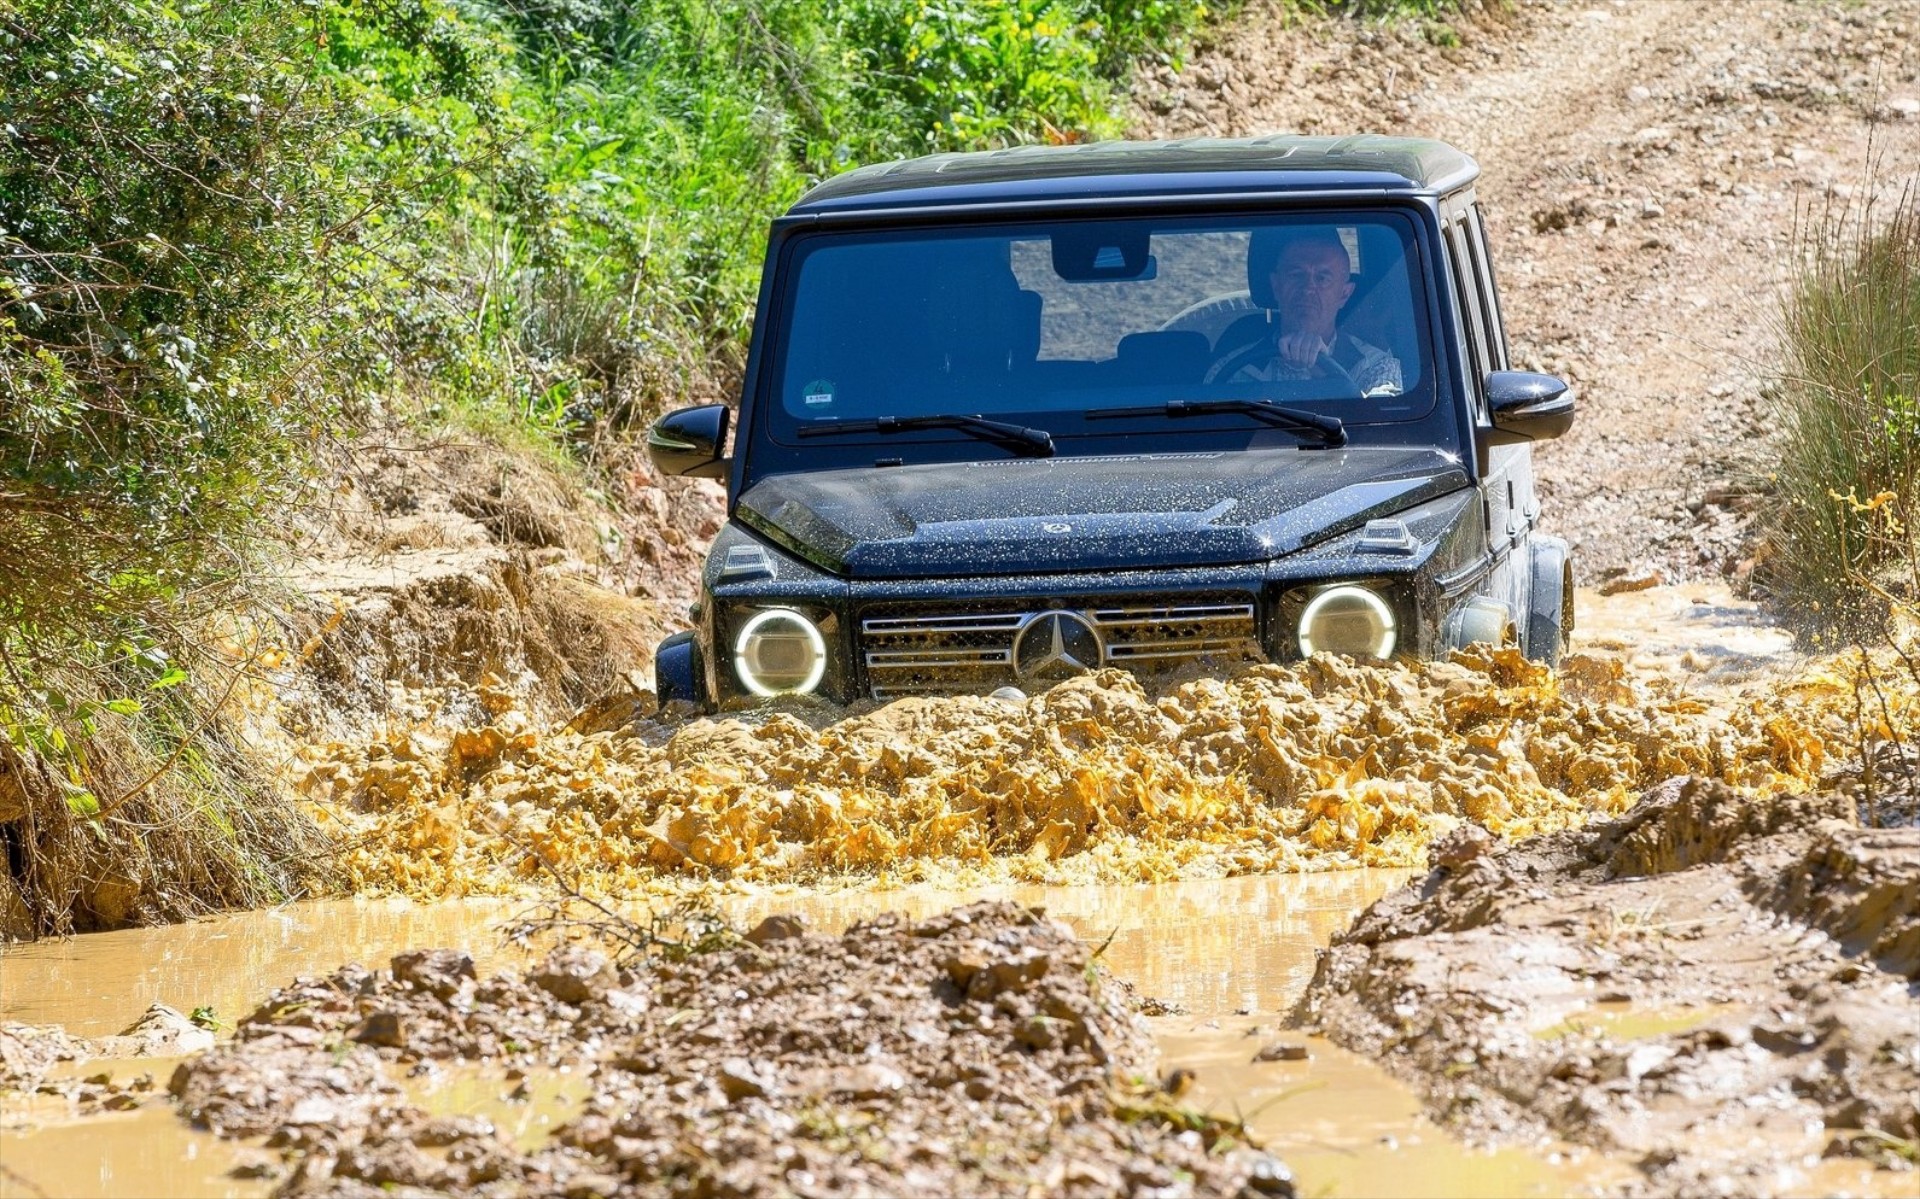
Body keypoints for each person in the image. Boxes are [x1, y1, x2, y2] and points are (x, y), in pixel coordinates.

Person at [1205, 228, 1403, 396]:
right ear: (1276, 286)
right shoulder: (1233, 372)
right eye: (1296, 275)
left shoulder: (1376, 367)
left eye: (1322, 278)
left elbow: (1388, 433)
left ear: (1344, 294)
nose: (1308, 288)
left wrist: (1327, 375)